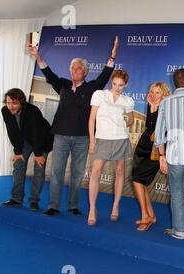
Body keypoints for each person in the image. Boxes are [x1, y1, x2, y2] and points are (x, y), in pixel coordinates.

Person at [26, 36, 118, 216]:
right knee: (57, 172)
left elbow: (104, 77)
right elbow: (49, 74)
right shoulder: (63, 85)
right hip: (60, 135)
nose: (75, 70)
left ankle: (73, 205)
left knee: (77, 174)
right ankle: (53, 205)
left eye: (79, 68)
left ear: (85, 72)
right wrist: (38, 56)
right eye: (73, 68)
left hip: (82, 137)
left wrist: (112, 58)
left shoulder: (92, 87)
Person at [154, 69, 184, 240]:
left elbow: (159, 133)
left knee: (176, 193)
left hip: (173, 156)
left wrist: (161, 156)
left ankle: (179, 230)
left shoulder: (165, 102)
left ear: (175, 83)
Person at [87, 70, 134, 226]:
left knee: (120, 172)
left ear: (125, 85)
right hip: (102, 138)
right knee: (95, 172)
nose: (117, 87)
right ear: (111, 82)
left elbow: (131, 120)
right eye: (115, 84)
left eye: (121, 85)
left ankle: (115, 206)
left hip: (120, 138)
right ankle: (92, 209)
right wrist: (92, 141)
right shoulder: (99, 95)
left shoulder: (127, 100)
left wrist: (122, 122)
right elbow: (92, 119)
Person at [1, 88, 53, 211]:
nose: (10, 106)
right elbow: (11, 131)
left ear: (21, 102)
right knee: (18, 165)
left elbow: (37, 133)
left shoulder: (32, 111)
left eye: (14, 103)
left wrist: (38, 154)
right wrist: (18, 152)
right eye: (8, 103)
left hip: (42, 140)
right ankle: (16, 199)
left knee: (39, 169)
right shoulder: (5, 111)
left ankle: (34, 201)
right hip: (25, 139)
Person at [132, 82, 171, 231]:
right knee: (139, 181)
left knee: (137, 180)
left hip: (156, 149)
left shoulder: (167, 108)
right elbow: (149, 126)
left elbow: (159, 130)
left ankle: (145, 217)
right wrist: (152, 106)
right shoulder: (151, 105)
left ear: (165, 94)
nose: (154, 95)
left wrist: (155, 108)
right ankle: (151, 216)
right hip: (143, 147)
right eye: (152, 92)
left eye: (158, 92)